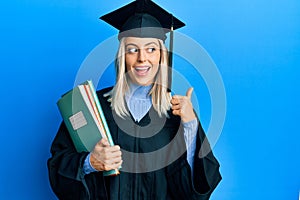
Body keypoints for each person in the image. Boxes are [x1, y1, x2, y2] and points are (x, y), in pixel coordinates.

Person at [47, 0, 221, 199]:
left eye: (151, 49)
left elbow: (197, 185)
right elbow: (57, 165)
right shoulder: (95, 107)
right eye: (132, 50)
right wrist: (90, 163)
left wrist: (190, 125)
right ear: (122, 56)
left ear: (162, 56)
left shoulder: (176, 113)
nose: (142, 59)